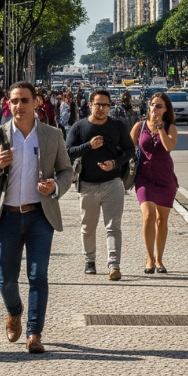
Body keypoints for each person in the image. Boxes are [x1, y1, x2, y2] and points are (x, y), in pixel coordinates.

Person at [0, 82, 74, 354]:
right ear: (8, 104)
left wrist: (55, 187)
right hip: (6, 216)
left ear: (36, 103)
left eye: (25, 100)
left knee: (37, 275)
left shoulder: (52, 135)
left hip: (39, 216)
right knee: (5, 279)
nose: (19, 106)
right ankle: (14, 311)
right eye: (15, 101)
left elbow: (67, 171)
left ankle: (34, 333)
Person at [65, 88, 134, 280]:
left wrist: (115, 163)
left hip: (113, 183)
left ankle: (114, 265)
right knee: (88, 226)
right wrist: (89, 146)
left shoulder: (118, 126)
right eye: (98, 104)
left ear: (110, 106)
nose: (102, 109)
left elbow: (130, 150)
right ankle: (90, 260)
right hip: (87, 185)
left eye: (106, 105)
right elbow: (67, 151)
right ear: (90, 105)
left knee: (113, 226)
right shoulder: (79, 127)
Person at [131, 92, 178, 274]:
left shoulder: (170, 127)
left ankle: (159, 259)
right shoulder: (139, 126)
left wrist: (159, 128)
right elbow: (127, 146)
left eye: (159, 106)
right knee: (149, 214)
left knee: (162, 220)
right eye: (152, 105)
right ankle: (149, 259)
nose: (155, 108)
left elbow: (168, 147)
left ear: (165, 109)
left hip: (165, 179)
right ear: (148, 106)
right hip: (144, 178)